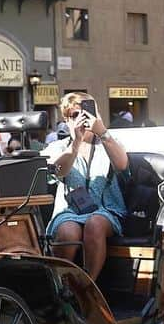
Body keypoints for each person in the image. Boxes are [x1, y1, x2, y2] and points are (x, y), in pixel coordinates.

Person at [43, 91, 130, 283]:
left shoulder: (107, 142)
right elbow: (57, 170)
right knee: (68, 231)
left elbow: (122, 165)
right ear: (66, 121)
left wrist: (102, 132)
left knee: (95, 224)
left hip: (106, 210)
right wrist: (75, 143)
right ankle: (59, 286)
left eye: (86, 112)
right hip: (69, 211)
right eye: (75, 115)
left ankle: (87, 287)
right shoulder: (59, 146)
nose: (81, 119)